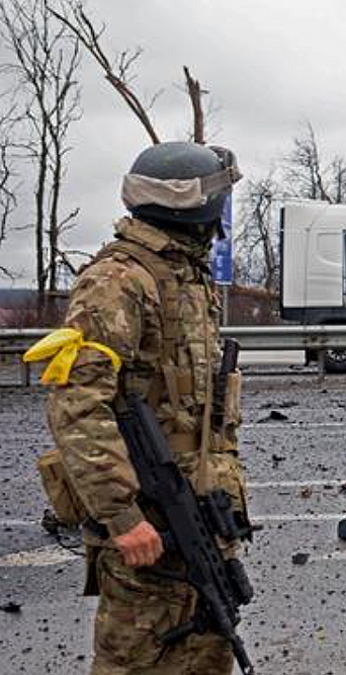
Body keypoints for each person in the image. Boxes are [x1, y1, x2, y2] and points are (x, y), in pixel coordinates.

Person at [34, 141, 248, 674]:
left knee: (206, 657)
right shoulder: (118, 281)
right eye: (215, 199)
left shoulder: (187, 278)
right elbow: (78, 406)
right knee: (135, 664)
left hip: (199, 519)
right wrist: (122, 517)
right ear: (189, 204)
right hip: (147, 526)